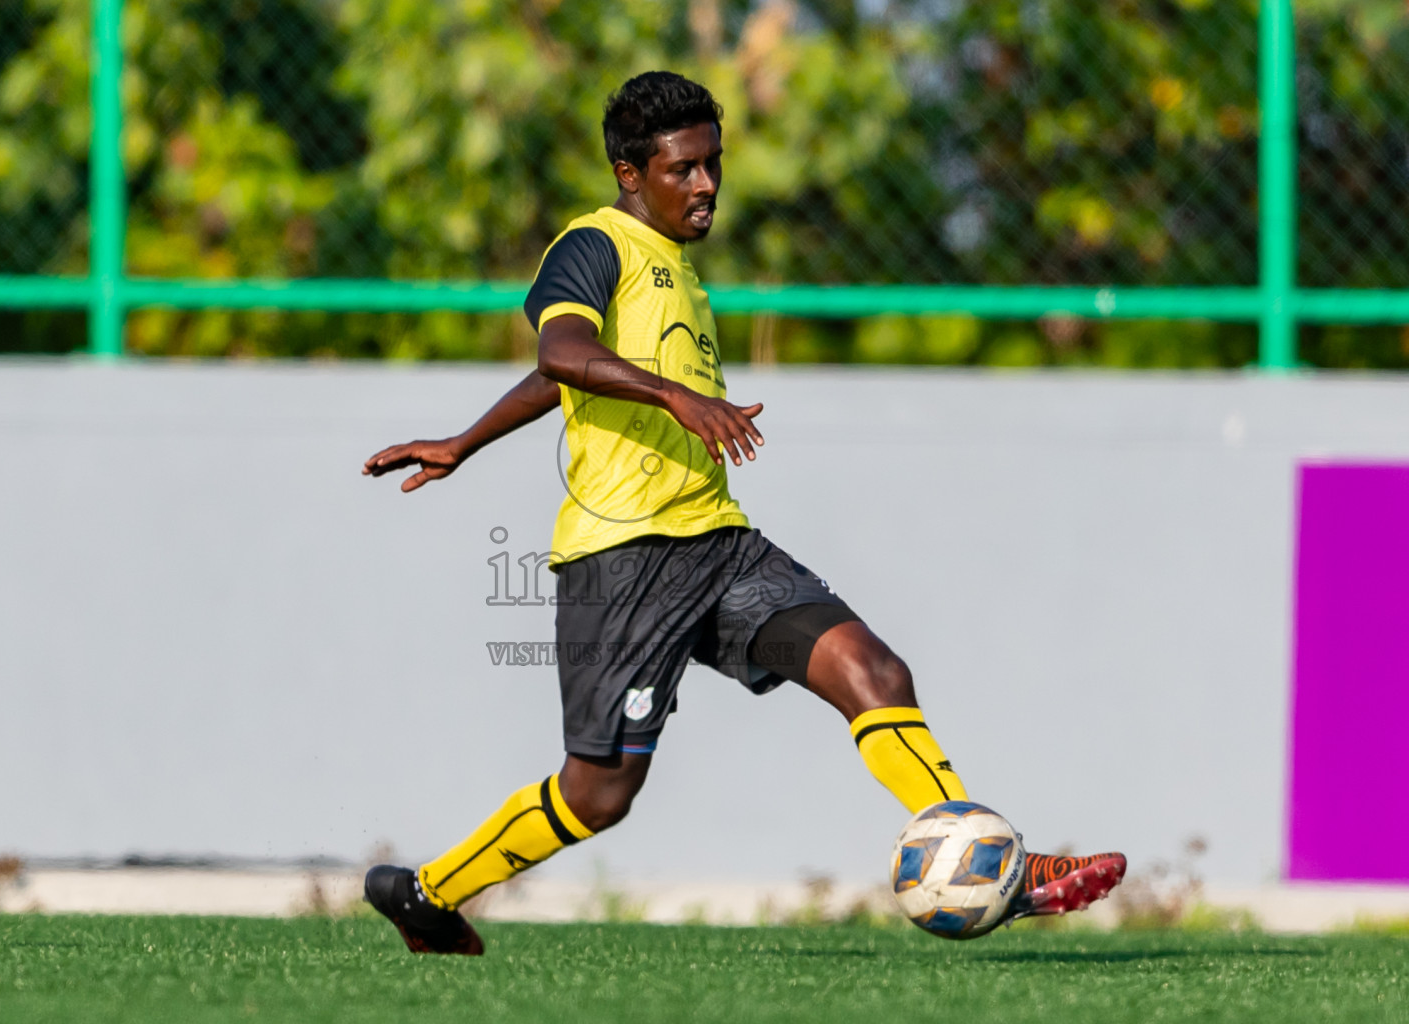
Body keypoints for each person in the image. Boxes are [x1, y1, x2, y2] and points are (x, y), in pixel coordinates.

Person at [360, 71, 1124, 954]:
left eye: (713, 164)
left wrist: (464, 439)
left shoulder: (676, 268)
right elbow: (563, 351)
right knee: (598, 794)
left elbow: (559, 372)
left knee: (873, 671)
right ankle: (426, 893)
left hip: (716, 542)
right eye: (683, 169)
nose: (707, 185)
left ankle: (996, 860)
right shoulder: (593, 243)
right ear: (628, 173)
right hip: (624, 559)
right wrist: (676, 400)